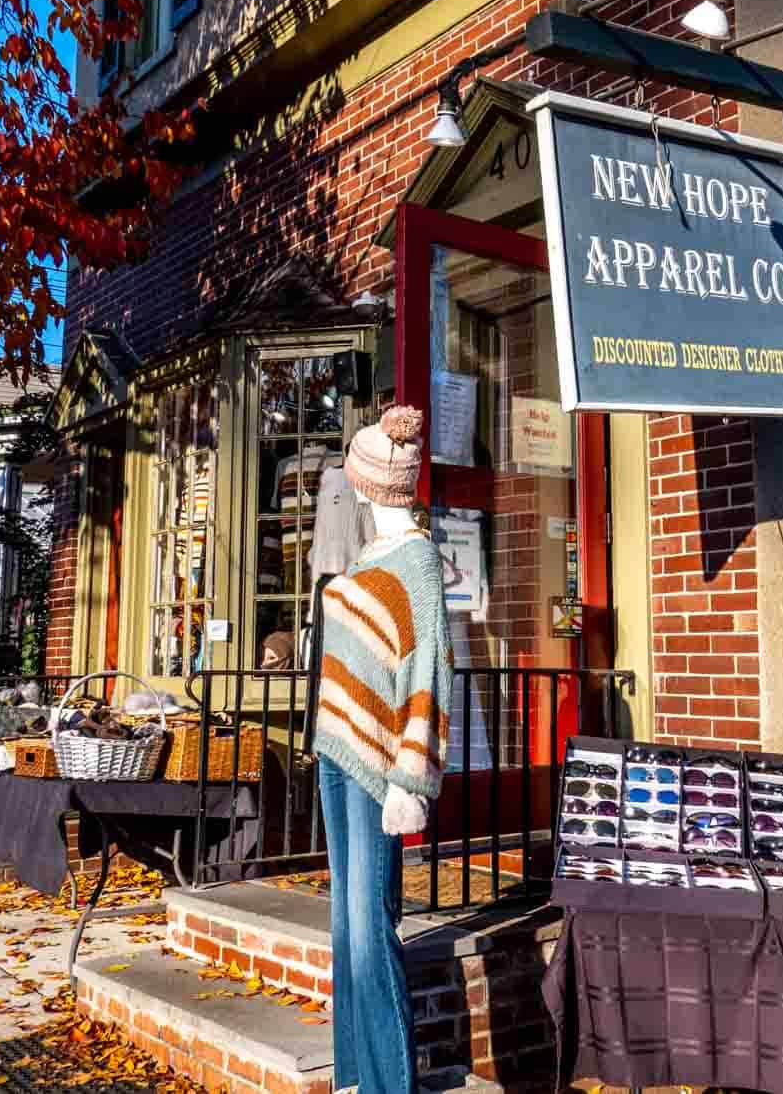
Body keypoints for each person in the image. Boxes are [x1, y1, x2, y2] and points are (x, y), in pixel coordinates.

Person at [311, 405, 452, 1094]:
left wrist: (411, 778)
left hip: (377, 767)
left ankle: (391, 1083)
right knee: (345, 922)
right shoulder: (364, 556)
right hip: (335, 752)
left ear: (373, 483)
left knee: (370, 927)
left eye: (355, 471)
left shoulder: (418, 560)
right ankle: (353, 1074)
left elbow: (426, 672)